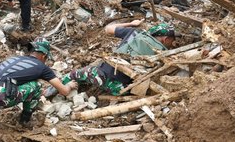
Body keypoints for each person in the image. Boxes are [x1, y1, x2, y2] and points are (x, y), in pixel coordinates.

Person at [46, 20, 176, 97]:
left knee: (75, 74)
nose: (173, 44)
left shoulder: (135, 33)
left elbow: (108, 29)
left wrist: (131, 23)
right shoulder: (164, 55)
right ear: (166, 39)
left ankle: (51, 91)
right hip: (120, 89)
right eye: (172, 41)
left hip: (101, 76)